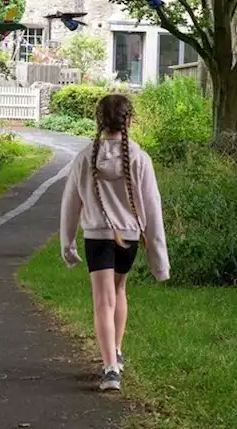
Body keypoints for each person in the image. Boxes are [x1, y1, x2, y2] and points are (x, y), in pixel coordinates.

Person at [59, 93, 168, 392]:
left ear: (98, 121)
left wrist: (67, 244)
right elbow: (153, 207)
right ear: (128, 120)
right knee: (119, 291)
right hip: (129, 237)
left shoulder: (83, 158)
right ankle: (116, 352)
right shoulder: (139, 157)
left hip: (96, 237)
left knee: (101, 302)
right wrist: (160, 260)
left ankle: (109, 368)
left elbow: (70, 204)